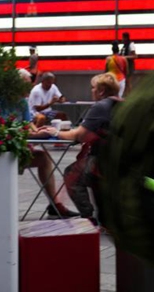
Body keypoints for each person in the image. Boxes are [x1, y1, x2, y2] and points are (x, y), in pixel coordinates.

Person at [31, 73, 120, 223]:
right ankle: (105, 218)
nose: (91, 91)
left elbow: (79, 135)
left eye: (93, 88)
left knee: (72, 175)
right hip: (120, 159)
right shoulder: (120, 103)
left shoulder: (101, 106)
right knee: (93, 178)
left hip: (103, 160)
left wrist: (56, 132)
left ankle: (88, 218)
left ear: (102, 90)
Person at [13, 68, 78, 218]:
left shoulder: (22, 102)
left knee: (44, 158)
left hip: (18, 147)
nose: (29, 88)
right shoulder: (3, 102)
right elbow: (5, 130)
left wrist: (37, 130)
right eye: (26, 85)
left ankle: (55, 205)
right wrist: (33, 133)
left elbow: (27, 123)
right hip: (4, 154)